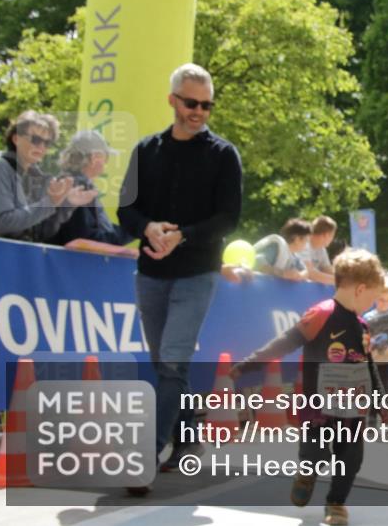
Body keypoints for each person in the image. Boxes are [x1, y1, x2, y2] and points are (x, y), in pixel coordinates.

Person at [117, 63, 242, 491]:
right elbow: (125, 210)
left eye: (207, 105)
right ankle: (187, 436)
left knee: (173, 361)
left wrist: (183, 236)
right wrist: (148, 228)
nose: (199, 112)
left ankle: (146, 456)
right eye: (191, 103)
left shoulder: (223, 155)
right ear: (172, 99)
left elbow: (230, 217)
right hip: (149, 272)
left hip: (197, 273)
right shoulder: (144, 150)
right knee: (163, 363)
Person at [231, 249, 388, 526]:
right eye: (372, 297)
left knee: (351, 458)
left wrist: (380, 399)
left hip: (353, 408)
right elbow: (285, 341)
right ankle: (307, 472)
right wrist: (248, 363)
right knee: (315, 454)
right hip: (318, 408)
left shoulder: (363, 326)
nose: (372, 303)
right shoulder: (321, 314)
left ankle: (336, 504)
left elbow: (368, 365)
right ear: (360, 288)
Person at [0, 111, 97, 241]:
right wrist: (50, 203)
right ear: (16, 139)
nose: (41, 147)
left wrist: (65, 203)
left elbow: (43, 233)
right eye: (36, 140)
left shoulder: (37, 177)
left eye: (47, 143)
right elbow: (4, 223)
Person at [50, 130, 132, 246]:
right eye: (106, 157)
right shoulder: (78, 188)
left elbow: (102, 230)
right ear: (94, 158)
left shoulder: (69, 182)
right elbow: (89, 241)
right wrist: (136, 230)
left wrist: (139, 226)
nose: (106, 163)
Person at [299, 215, 337, 285]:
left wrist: (344, 278)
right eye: (332, 236)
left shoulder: (321, 249)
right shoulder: (303, 244)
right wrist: (339, 281)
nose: (332, 239)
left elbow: (327, 270)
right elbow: (309, 273)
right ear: (326, 235)